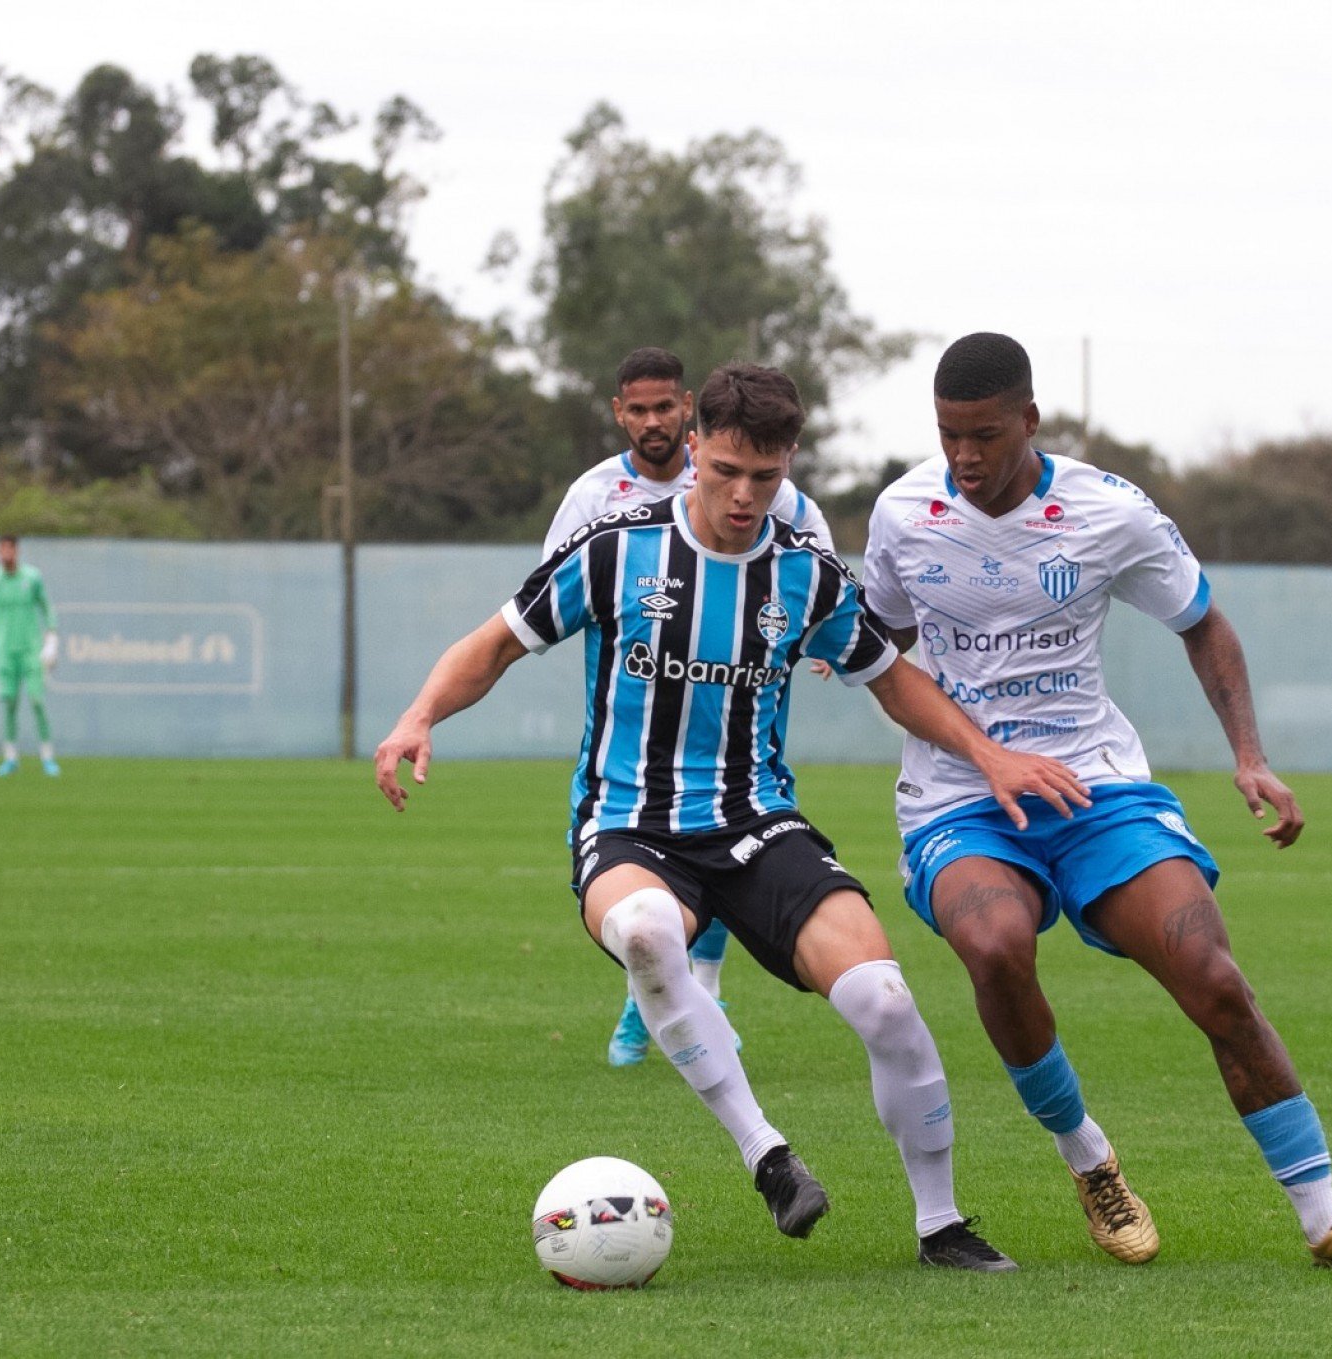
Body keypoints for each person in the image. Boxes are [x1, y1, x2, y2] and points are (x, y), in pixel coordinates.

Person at [376, 362, 1092, 1270]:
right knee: (644, 929)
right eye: (726, 472)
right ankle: (767, 1153)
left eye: (767, 476)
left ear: (788, 463)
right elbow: (493, 646)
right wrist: (417, 717)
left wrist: (987, 754)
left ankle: (941, 1224)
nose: (746, 496)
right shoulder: (615, 549)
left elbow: (894, 680)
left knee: (885, 999)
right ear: (695, 450)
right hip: (630, 824)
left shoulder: (807, 576)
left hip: (758, 825)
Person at [859, 333, 1332, 1272]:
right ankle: (1091, 1161)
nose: (965, 456)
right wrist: (981, 750)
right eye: (950, 435)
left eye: (986, 435)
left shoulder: (1108, 511)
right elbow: (879, 652)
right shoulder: (902, 515)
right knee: (995, 946)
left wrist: (1251, 757)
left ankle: (1326, 1215)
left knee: (1211, 973)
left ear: (1030, 421)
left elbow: (1203, 622)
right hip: (960, 796)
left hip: (1097, 788)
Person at [547, 346, 836, 1069]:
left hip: (744, 688)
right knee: (653, 832)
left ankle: (700, 984)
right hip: (640, 694)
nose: (652, 420)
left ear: (687, 414)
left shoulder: (773, 492)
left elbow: (822, 582)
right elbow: (551, 586)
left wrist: (826, 642)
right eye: (637, 408)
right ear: (620, 413)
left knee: (730, 815)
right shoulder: (594, 495)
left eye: (664, 406)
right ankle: (662, 986)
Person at [0, 533, 60, 776]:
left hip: (31, 650)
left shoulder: (32, 577)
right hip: (5, 651)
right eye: (1, 549)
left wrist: (52, 638)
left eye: (10, 549)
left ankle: (47, 756)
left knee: (36, 700)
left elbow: (46, 606)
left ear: (16, 551)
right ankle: (10, 756)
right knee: (9, 702)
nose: (6, 554)